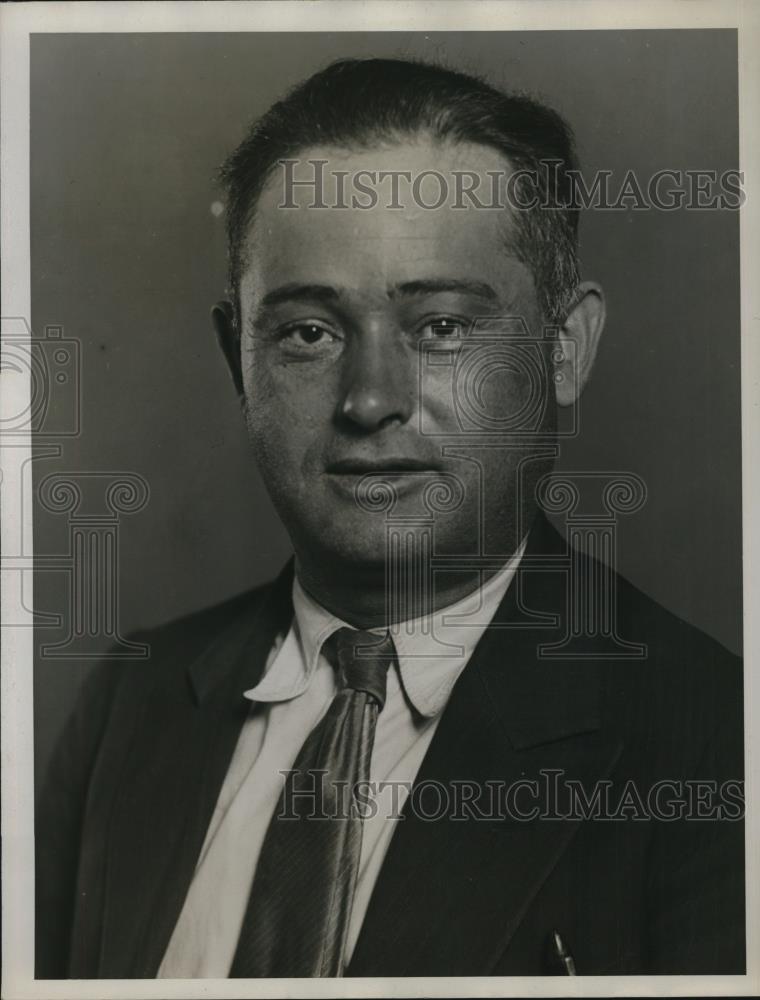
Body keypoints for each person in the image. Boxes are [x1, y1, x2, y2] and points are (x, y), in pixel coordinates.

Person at [35, 57, 744, 979]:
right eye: (308, 333)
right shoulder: (127, 707)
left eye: (442, 326)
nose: (371, 400)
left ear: (563, 352)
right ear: (235, 358)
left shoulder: (716, 746)